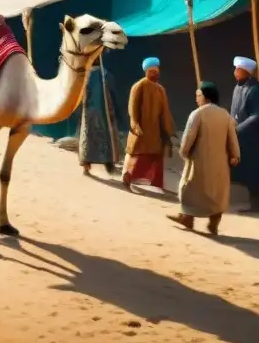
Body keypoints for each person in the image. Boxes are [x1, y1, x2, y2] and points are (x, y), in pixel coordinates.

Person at [168, 81, 240, 235]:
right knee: (217, 194)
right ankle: (213, 223)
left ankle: (187, 218)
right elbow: (232, 138)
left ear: (206, 96)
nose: (197, 99)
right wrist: (235, 155)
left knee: (189, 189)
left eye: (198, 95)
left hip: (199, 162)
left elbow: (188, 137)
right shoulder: (225, 115)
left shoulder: (197, 114)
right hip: (220, 164)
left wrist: (184, 152)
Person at [230, 56, 259, 213]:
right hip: (240, 139)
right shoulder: (238, 87)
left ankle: (257, 204)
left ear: (246, 72)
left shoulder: (255, 89)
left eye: (238, 69)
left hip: (253, 140)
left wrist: (238, 129)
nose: (235, 72)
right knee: (245, 172)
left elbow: (257, 115)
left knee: (253, 172)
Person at [123, 57, 175, 191]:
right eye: (152, 71)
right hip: (142, 131)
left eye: (156, 71)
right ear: (146, 71)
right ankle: (128, 178)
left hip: (157, 132)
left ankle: (157, 185)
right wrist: (135, 125)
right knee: (139, 158)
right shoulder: (138, 86)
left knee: (157, 159)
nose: (155, 74)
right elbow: (132, 108)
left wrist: (169, 129)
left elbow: (165, 111)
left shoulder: (160, 89)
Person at [79, 60, 123, 176]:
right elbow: (114, 94)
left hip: (95, 111)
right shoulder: (104, 74)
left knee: (90, 136)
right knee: (105, 137)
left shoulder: (93, 74)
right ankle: (107, 164)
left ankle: (90, 165)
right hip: (101, 112)